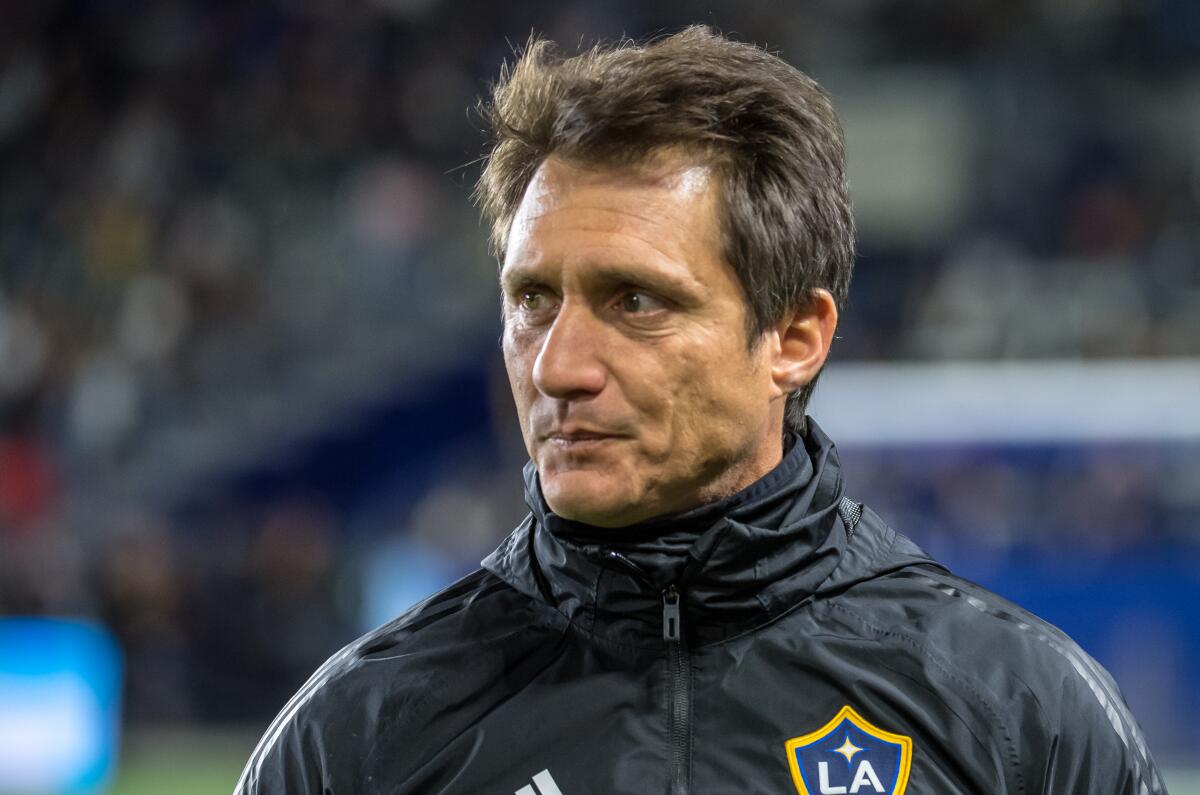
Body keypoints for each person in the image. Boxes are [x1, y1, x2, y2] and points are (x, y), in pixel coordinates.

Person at [234, 27, 1164, 794]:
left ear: (794, 337)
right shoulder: (358, 739)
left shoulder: (1019, 717)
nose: (558, 367)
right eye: (532, 300)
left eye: (636, 301)